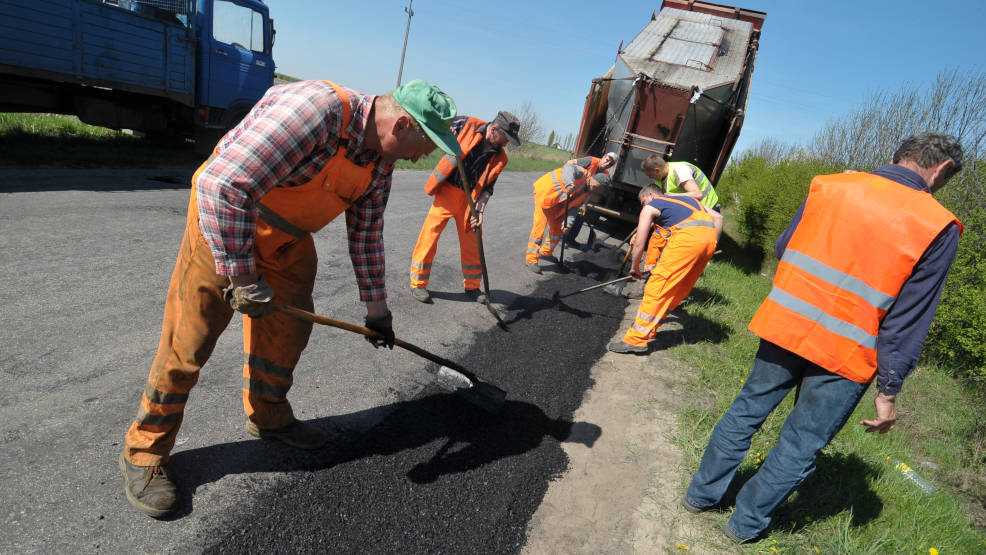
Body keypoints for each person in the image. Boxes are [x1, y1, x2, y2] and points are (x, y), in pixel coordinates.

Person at [119, 78, 461, 518]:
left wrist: (378, 312)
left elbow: (367, 235)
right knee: (191, 340)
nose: (423, 157)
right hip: (223, 221)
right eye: (425, 145)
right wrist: (241, 277)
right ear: (401, 125)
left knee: (289, 329)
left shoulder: (379, 161)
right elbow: (223, 187)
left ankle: (268, 413)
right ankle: (145, 448)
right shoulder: (316, 113)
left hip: (286, 240)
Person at [683, 133, 964, 543]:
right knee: (801, 442)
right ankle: (743, 527)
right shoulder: (938, 225)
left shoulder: (831, 185)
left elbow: (783, 247)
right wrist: (888, 391)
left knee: (745, 412)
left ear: (901, 154)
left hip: (787, 325)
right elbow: (908, 319)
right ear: (941, 168)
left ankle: (700, 496)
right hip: (847, 353)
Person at [408, 111, 520, 303]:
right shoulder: (465, 124)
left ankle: (473, 287)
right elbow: (440, 132)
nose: (506, 143)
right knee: (430, 236)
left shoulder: (501, 158)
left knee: (473, 241)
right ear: (494, 130)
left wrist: (481, 210)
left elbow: (488, 188)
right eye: (506, 138)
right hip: (447, 192)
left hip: (471, 200)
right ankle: (418, 284)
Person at [607, 184, 717, 354]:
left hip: (689, 240)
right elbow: (717, 216)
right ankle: (648, 329)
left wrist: (635, 267)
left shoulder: (652, 206)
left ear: (651, 195)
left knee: (656, 288)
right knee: (676, 289)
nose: (644, 206)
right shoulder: (683, 199)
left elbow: (639, 244)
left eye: (643, 202)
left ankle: (636, 339)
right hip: (710, 240)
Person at [525, 162, 610, 274]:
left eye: (599, 191)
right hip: (545, 194)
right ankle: (531, 259)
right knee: (539, 228)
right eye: (599, 189)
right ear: (596, 183)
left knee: (558, 230)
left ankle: (545, 253)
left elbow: (574, 208)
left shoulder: (587, 194)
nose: (597, 191)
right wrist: (569, 183)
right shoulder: (582, 174)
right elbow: (568, 167)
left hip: (557, 203)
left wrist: (568, 224)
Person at [641, 155, 723, 240]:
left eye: (650, 175)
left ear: (656, 170)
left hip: (708, 210)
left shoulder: (680, 170)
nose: (650, 178)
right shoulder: (659, 179)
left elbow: (698, 194)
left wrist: (673, 196)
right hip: (692, 212)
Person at [563, 152, 617, 248]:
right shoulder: (590, 161)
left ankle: (570, 239)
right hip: (572, 191)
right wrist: (569, 182)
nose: (607, 164)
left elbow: (597, 192)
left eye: (611, 164)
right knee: (566, 214)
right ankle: (561, 238)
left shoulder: (605, 175)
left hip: (583, 198)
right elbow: (569, 163)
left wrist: (587, 202)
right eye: (607, 160)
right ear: (603, 157)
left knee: (580, 216)